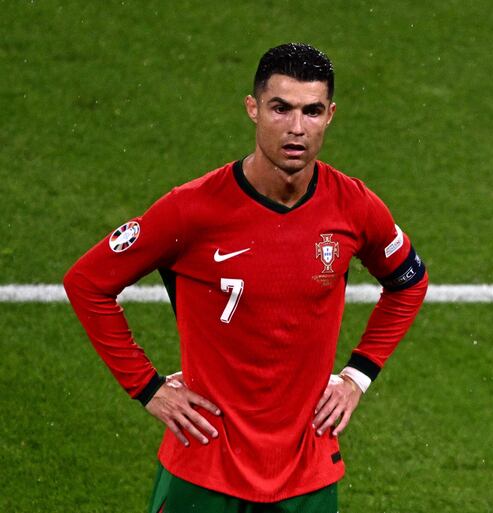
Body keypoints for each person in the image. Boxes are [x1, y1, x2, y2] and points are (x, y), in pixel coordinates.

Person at [63, 43, 428, 513]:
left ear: (331, 115)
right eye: (281, 108)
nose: (297, 128)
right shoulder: (191, 210)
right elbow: (88, 282)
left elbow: (409, 281)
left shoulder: (353, 207)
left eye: (312, 111)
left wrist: (357, 376)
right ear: (253, 109)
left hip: (308, 472)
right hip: (204, 468)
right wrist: (147, 388)